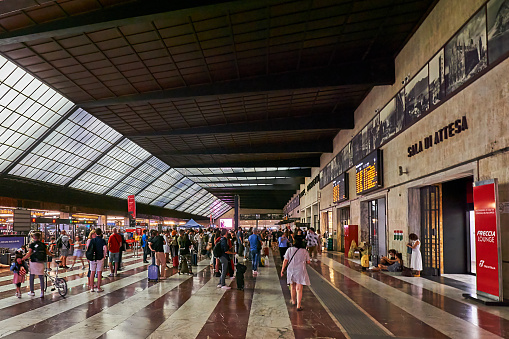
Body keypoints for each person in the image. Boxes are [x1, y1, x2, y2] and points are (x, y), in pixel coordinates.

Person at [280, 235, 310, 311]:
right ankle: (298, 306)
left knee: (292, 285)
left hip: (291, 270)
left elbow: (285, 260)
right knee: (299, 288)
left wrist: (282, 270)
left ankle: (293, 301)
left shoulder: (289, 250)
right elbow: (308, 261)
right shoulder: (305, 251)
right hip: (300, 270)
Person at [22, 232, 52, 298]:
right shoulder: (43, 244)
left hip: (33, 262)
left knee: (32, 277)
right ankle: (42, 292)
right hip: (41, 262)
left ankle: (32, 291)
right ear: (40, 237)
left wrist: (23, 258)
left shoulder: (32, 244)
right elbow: (48, 252)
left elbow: (29, 253)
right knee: (41, 277)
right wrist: (52, 255)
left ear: (33, 237)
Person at [87, 228, 107, 292]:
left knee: (92, 273)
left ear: (95, 233)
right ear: (101, 233)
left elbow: (89, 249)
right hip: (100, 258)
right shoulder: (102, 240)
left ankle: (92, 288)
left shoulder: (92, 240)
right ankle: (98, 288)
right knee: (99, 273)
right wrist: (104, 255)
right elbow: (105, 248)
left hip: (93, 258)